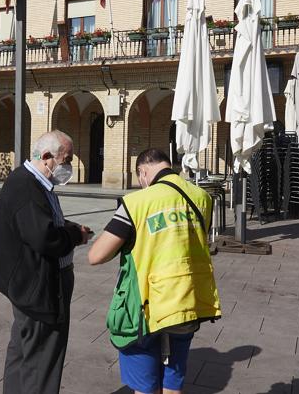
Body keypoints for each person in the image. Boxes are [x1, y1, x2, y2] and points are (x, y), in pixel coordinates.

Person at [88, 148, 222, 394]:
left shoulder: (136, 202)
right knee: (172, 385)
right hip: (187, 300)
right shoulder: (202, 197)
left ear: (143, 172)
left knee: (145, 388)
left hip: (145, 307)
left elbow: (96, 256)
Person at [0, 130, 92, 394]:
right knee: (43, 360)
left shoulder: (34, 183)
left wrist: (68, 226)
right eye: (66, 160)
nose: (69, 166)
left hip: (29, 287)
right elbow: (44, 238)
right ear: (46, 157)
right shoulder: (27, 185)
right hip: (38, 289)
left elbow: (39, 224)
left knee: (24, 353)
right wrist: (74, 236)